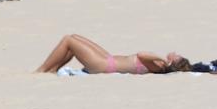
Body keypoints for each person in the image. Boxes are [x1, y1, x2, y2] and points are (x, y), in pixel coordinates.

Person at [35, 34, 191, 74]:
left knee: (68, 40)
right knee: (73, 37)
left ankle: (42, 70)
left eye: (177, 56)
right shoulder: (160, 65)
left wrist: (162, 58)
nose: (175, 53)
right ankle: (52, 69)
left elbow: (142, 54)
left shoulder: (159, 65)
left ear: (173, 63)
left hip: (103, 66)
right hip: (108, 60)